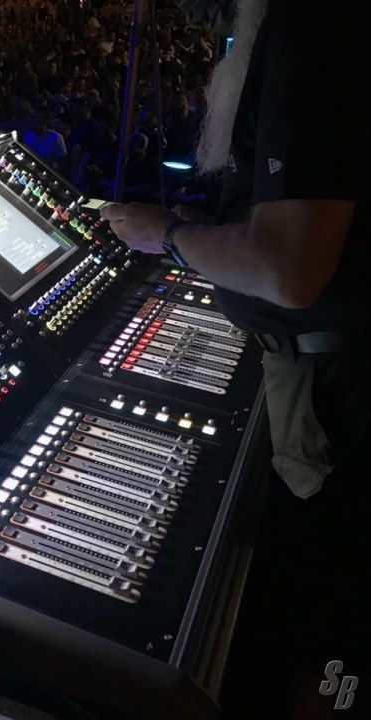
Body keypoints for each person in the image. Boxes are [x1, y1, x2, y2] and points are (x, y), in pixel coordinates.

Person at [100, 0, 371, 714]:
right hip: (330, 372)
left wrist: (168, 237)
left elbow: (290, 268)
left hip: (338, 393)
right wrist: (208, 235)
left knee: (334, 616)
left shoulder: (313, 27)